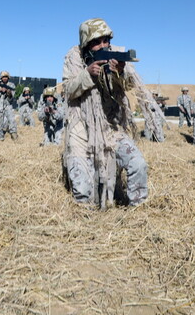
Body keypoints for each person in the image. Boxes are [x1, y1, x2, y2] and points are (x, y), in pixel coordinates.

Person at [62, 18, 148, 208]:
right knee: (83, 188)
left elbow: (130, 87)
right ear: (86, 44)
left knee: (138, 164)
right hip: (81, 127)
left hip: (110, 126)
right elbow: (68, 90)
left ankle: (139, 211)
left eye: (105, 40)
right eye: (96, 42)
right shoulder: (74, 57)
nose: (103, 45)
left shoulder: (115, 55)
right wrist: (87, 74)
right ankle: (85, 218)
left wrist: (119, 73)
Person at [0, 71, 18, 141]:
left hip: (8, 106)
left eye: (6, 77)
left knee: (12, 121)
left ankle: (14, 135)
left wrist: (9, 94)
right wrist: (0, 90)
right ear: (1, 78)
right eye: (3, 77)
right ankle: (0, 138)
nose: (5, 78)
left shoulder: (11, 85)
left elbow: (12, 98)